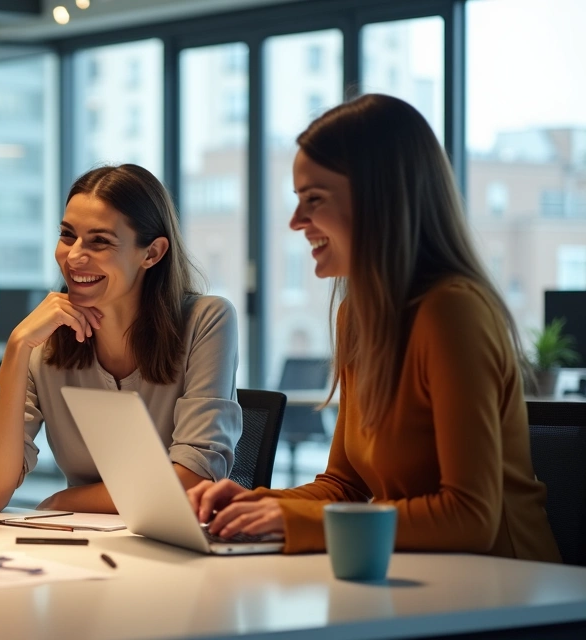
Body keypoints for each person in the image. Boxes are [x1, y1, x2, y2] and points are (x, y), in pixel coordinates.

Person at [188, 94, 561, 562]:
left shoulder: (452, 312)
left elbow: (471, 517)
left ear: (379, 200)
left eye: (314, 200)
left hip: (508, 593)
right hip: (423, 581)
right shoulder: (357, 317)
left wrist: (293, 521)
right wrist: (256, 503)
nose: (296, 221)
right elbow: (344, 485)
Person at [0, 164, 242, 514]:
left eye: (100, 241)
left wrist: (62, 501)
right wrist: (17, 346)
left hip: (176, 552)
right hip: (87, 546)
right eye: (68, 235)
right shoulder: (44, 341)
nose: (74, 257)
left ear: (152, 253)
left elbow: (191, 482)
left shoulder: (206, 321)